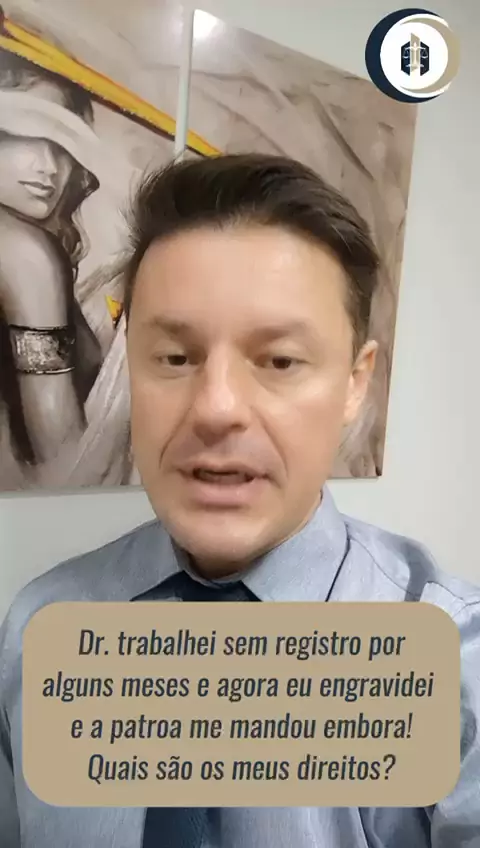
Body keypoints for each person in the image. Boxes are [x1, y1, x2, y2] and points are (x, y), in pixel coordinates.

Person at [0, 153, 479, 846]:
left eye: (279, 361)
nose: (216, 408)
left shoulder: (456, 663)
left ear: (355, 383)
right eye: (175, 358)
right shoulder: (38, 629)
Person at [0, 53, 103, 477]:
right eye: (28, 135)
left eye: (63, 148)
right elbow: (59, 447)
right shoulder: (23, 252)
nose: (48, 167)